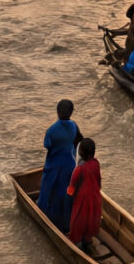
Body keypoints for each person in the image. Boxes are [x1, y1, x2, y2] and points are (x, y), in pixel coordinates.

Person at [37, 100, 83, 232]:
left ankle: (45, 214)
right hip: (69, 163)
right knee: (64, 191)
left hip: (54, 164)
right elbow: (78, 140)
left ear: (57, 112)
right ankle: (65, 222)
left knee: (48, 188)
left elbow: (47, 145)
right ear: (71, 113)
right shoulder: (74, 126)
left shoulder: (51, 130)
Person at [67, 138, 103, 250]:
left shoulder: (79, 169)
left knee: (78, 222)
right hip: (95, 198)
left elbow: (72, 187)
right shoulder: (96, 163)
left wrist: (69, 196)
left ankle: (77, 243)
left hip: (83, 201)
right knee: (91, 220)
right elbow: (99, 181)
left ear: (80, 152)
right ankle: (87, 240)